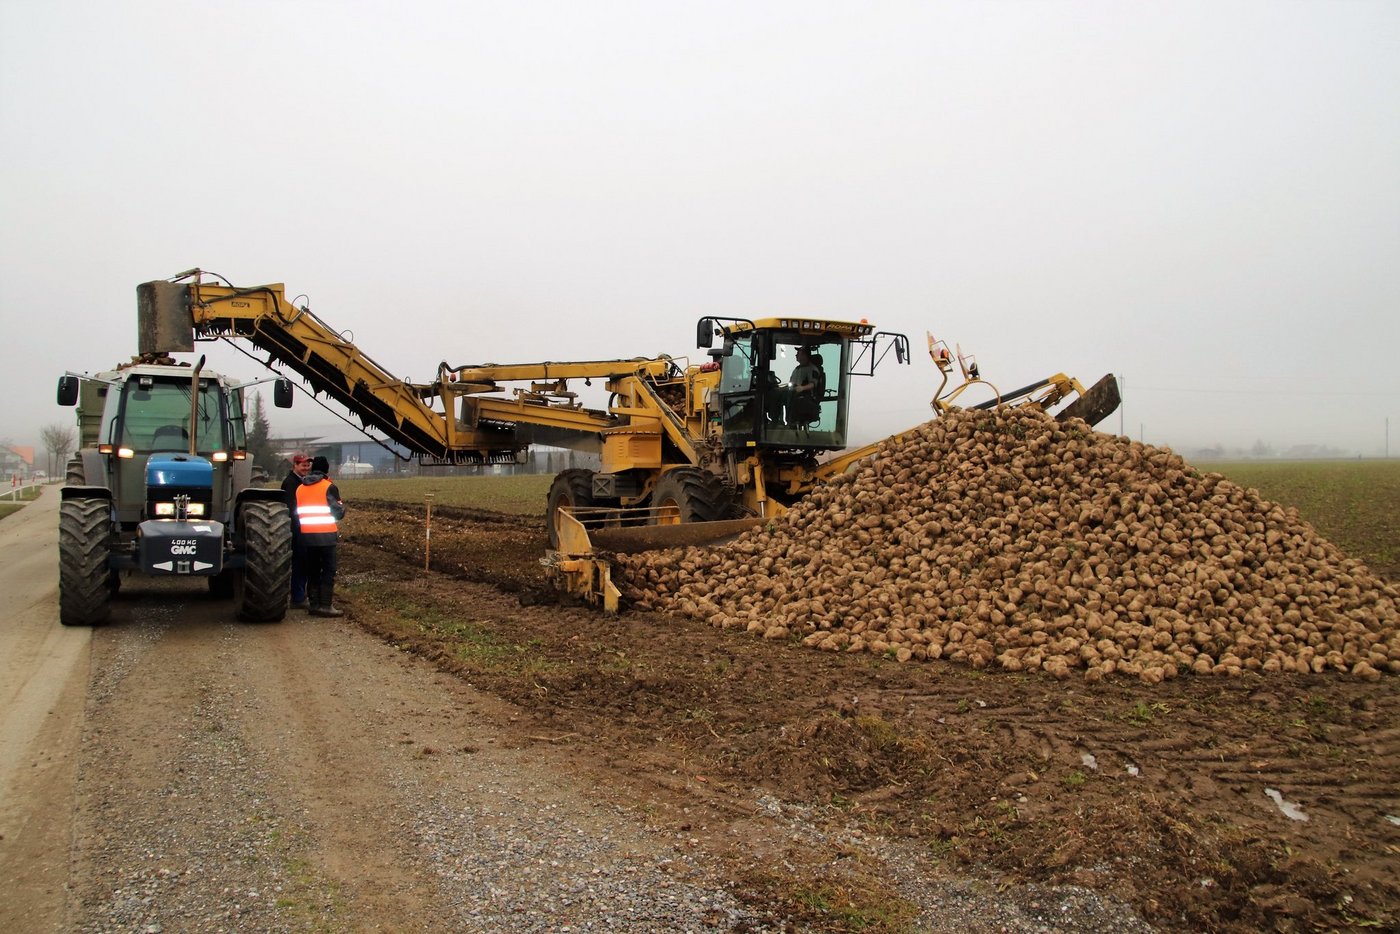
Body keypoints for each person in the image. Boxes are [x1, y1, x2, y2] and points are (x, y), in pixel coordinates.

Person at [296, 455, 347, 618]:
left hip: (307, 537)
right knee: (328, 571)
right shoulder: (328, 487)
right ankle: (325, 606)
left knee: (312, 571)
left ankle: (314, 605)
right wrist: (343, 508)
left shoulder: (300, 488)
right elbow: (338, 513)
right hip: (326, 537)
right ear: (326, 469)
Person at [281, 453, 312, 609]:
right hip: (296, 529)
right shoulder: (291, 483)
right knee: (299, 562)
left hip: (304, 527)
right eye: (303, 465)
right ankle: (298, 597)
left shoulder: (303, 481)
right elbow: (291, 508)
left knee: (304, 562)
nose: (306, 468)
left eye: (307, 465)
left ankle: (300, 594)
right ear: (295, 466)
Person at [786, 346, 825, 426]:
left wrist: (802, 388)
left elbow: (813, 384)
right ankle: (778, 421)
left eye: (798, 353)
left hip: (805, 396)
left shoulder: (812, 369)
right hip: (793, 393)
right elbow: (791, 383)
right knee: (775, 394)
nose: (796, 355)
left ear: (804, 355)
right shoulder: (797, 369)